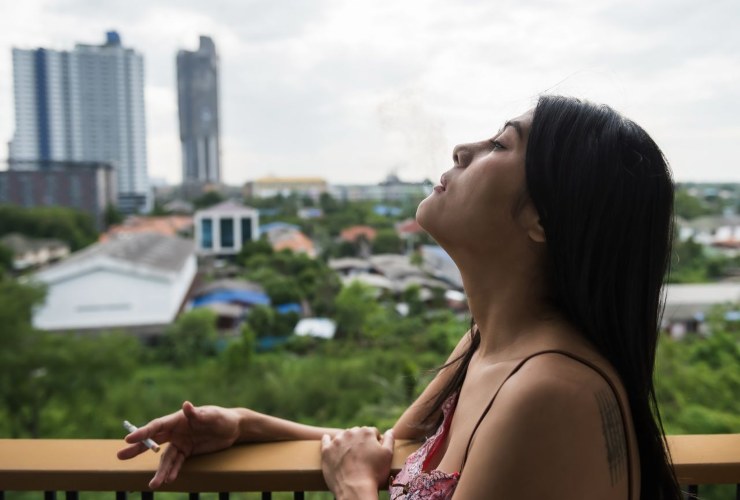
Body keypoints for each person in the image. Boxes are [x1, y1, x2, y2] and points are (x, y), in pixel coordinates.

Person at [118, 95, 682, 499]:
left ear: (542, 218)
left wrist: (356, 489)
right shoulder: (491, 346)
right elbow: (405, 449)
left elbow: (373, 467)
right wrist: (247, 425)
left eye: (500, 144)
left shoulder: (549, 392)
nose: (463, 148)